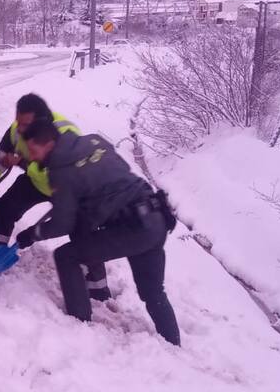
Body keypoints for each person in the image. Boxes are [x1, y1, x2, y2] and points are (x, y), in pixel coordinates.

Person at [15, 119, 181, 345]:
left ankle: (79, 323)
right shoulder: (95, 141)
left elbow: (63, 223)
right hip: (156, 218)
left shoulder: (60, 171)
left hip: (132, 227)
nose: (32, 157)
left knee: (66, 256)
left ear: (47, 143)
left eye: (33, 151)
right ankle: (174, 345)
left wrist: (33, 233)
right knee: (154, 293)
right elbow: (108, 178)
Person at [0, 94, 110, 301]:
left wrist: (21, 163)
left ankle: (98, 288)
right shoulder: (16, 131)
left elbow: (53, 171)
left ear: (43, 122)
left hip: (70, 188)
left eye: (25, 124)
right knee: (5, 208)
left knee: (83, 231)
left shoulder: (65, 134)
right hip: (35, 183)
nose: (20, 128)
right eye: (18, 121)